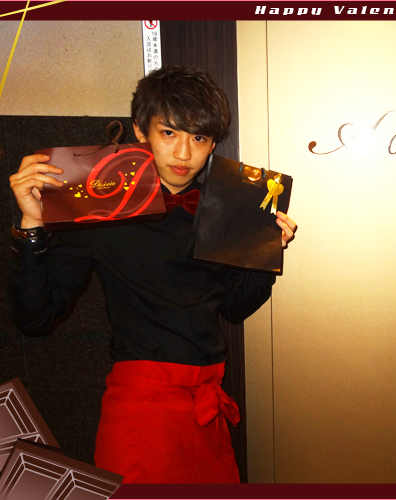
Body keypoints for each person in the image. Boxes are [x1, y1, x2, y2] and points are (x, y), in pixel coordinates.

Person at [7, 66, 297, 483]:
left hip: (207, 408)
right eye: (169, 133)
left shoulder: (225, 208)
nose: (183, 154)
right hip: (140, 410)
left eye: (199, 138)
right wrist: (32, 225)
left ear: (213, 143)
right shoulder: (100, 208)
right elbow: (34, 318)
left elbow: (234, 308)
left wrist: (264, 255)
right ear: (140, 130)